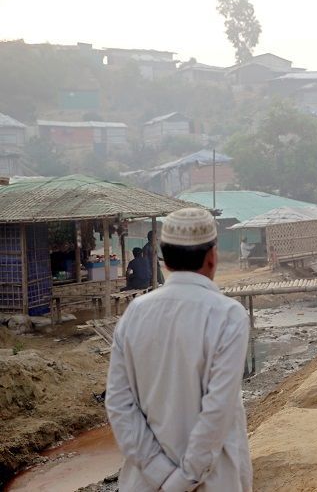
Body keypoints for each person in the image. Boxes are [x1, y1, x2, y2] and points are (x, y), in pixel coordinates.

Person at [106, 208, 252, 492]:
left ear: (164, 260)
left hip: (145, 483)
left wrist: (158, 473)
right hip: (213, 480)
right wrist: (183, 479)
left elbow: (119, 404)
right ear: (212, 257)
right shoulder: (228, 314)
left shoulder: (135, 312)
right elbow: (217, 409)